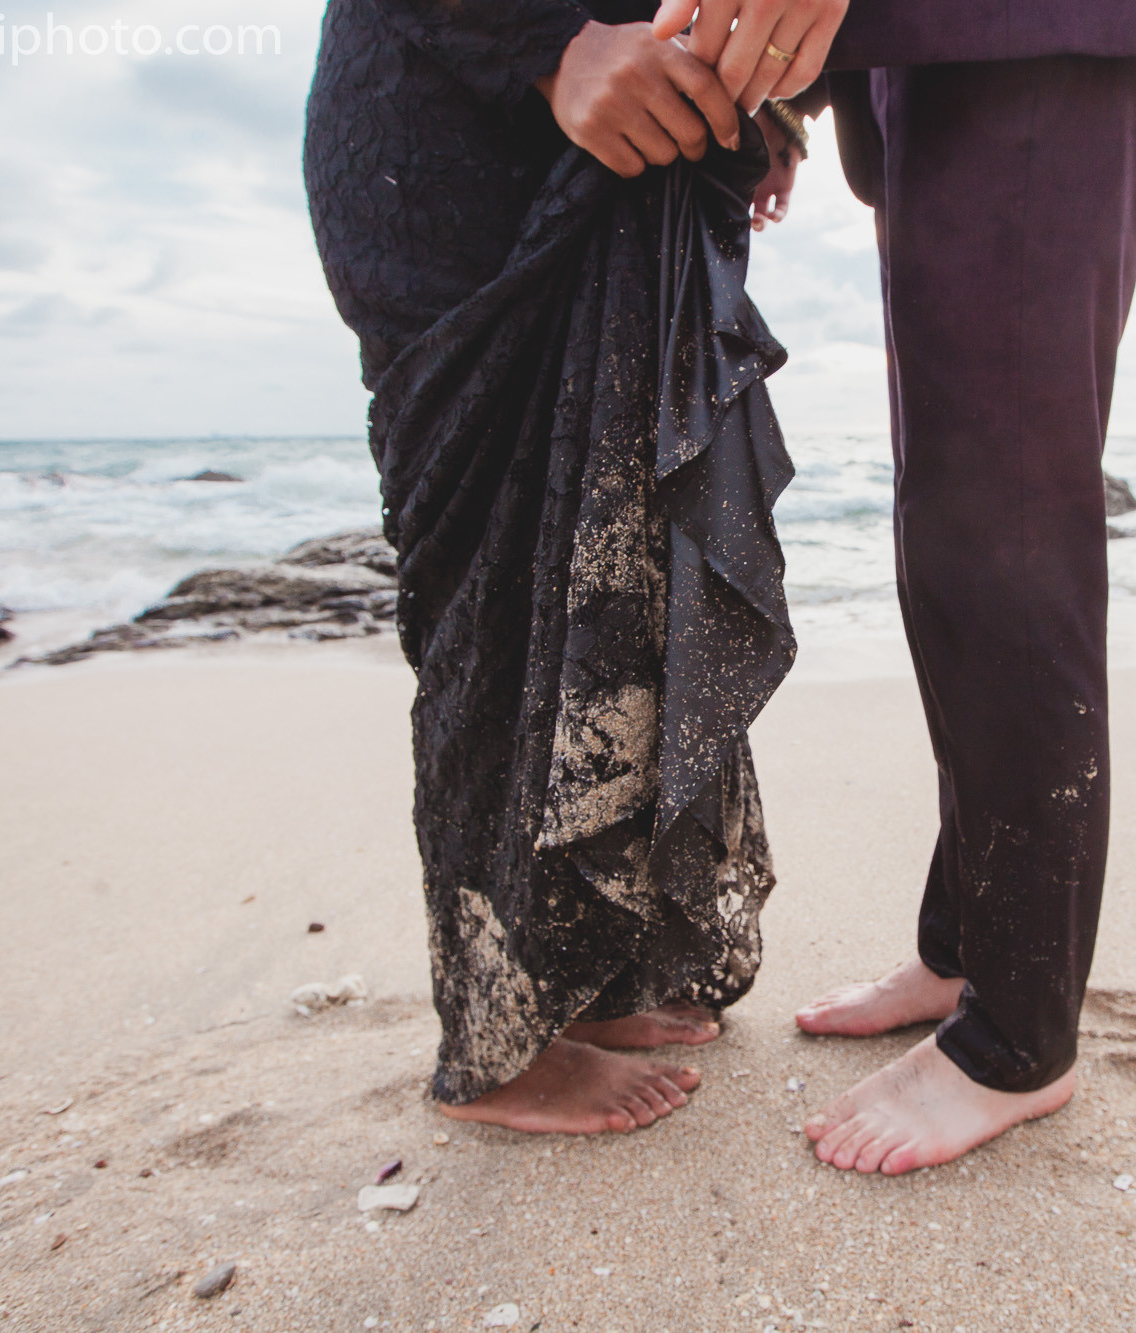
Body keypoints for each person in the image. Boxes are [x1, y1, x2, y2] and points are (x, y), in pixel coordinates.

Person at [653, 0, 1136, 1173]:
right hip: (923, 47)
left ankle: (1020, 1035)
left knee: (1004, 522)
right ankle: (968, 950)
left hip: (1047, 27)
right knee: (947, 519)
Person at [304, 0, 811, 1136]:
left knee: (619, 563)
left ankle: (598, 969)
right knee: (493, 575)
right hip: (456, 125)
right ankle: (496, 1039)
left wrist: (769, 108)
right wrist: (547, 44)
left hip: (630, 138)